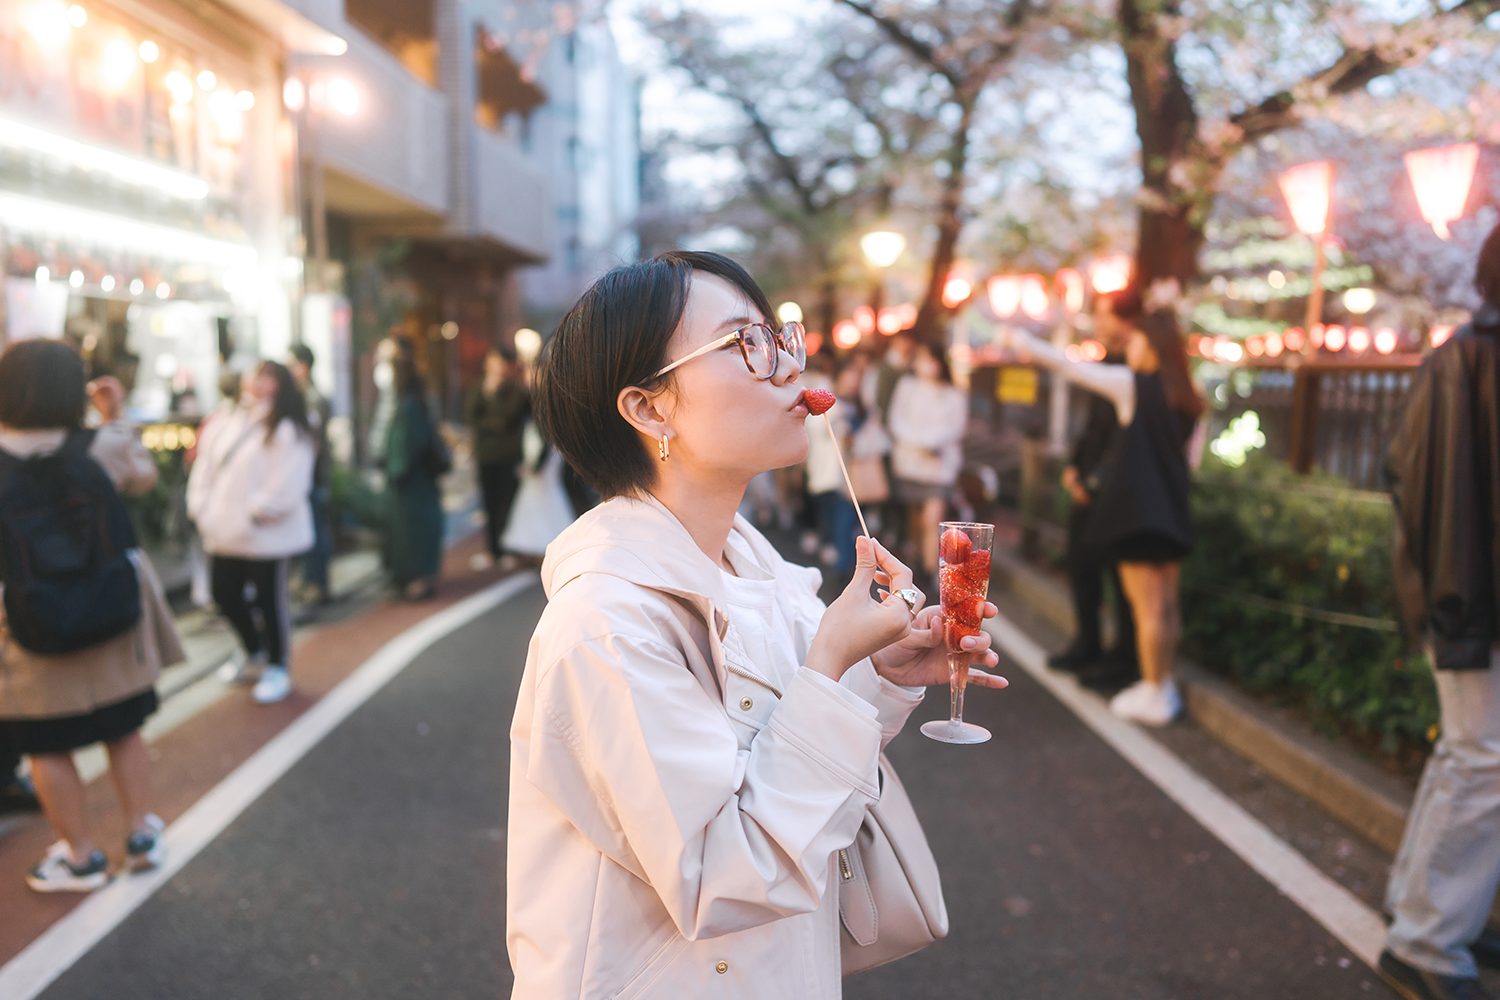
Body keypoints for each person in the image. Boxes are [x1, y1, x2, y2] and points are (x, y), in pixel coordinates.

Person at [508, 250, 1008, 997]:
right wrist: (829, 665)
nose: (785, 368)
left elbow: (785, 764)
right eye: (745, 343)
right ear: (649, 408)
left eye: (778, 338)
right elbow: (722, 875)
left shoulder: (759, 573)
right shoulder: (607, 623)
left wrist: (875, 673)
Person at [0, 340, 183, 891]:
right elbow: (145, 479)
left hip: (27, 618)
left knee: (46, 743)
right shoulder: (102, 444)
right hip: (110, 606)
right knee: (122, 726)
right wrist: (114, 415)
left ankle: (79, 857)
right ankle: (140, 836)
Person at [1381, 223, 1500, 1000]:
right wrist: (1454, 615)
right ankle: (1425, 936)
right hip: (1473, 600)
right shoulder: (1469, 357)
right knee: (1482, 757)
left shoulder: (1467, 355)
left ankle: (1421, 911)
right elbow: (1443, 499)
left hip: (1469, 597)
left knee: (1471, 753)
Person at [1006, 286, 1203, 726]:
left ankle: (1153, 692)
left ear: (1150, 348)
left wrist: (1023, 343)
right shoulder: (1189, 397)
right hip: (1173, 510)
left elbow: (1069, 367)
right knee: (1167, 607)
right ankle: (1162, 684)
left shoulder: (1134, 386)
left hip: (1137, 515)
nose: (1129, 349)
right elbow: (1191, 460)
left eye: (1135, 343)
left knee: (1145, 607)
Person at [187, 361, 316, 704]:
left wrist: (254, 514)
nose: (257, 381)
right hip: (222, 531)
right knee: (223, 594)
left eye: (267, 375)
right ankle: (253, 651)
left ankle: (277, 664)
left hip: (265, 535)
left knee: (269, 600)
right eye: (254, 373)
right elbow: (204, 469)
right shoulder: (224, 420)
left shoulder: (286, 426)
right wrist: (203, 509)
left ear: (281, 384)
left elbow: (289, 481)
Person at [1050, 329, 1139, 693]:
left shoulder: (1136, 376)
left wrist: (1095, 481)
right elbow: (1094, 427)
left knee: (1122, 581)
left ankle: (1121, 657)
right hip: (1091, 482)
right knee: (1080, 564)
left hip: (1114, 492)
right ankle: (1088, 643)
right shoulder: (1110, 363)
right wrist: (1076, 467)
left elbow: (1122, 439)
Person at [887, 341, 968, 588]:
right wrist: (915, 441)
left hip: (938, 467)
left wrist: (929, 441)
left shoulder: (954, 394)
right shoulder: (907, 386)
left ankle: (931, 570)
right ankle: (916, 560)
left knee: (933, 519)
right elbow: (895, 419)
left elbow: (956, 427)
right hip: (909, 464)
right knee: (915, 517)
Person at [499, 363, 575, 560]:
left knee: (544, 495)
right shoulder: (528, 397)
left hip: (544, 455)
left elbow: (546, 435)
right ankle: (536, 545)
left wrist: (536, 464)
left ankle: (548, 543)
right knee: (537, 497)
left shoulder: (545, 400)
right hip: (539, 451)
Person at [385, 356, 445, 599]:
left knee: (412, 533)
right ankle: (423, 578)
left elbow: (406, 446)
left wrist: (395, 470)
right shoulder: (417, 401)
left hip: (411, 482)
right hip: (422, 480)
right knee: (422, 529)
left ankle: (418, 581)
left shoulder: (407, 405)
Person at [465, 347, 529, 571]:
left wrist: (491, 419)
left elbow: (508, 418)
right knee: (489, 503)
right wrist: (488, 394)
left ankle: (508, 549)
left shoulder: (517, 391)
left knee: (509, 503)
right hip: (486, 456)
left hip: (510, 456)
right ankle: (493, 550)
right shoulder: (479, 389)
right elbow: (471, 416)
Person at [288, 344, 333, 604]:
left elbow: (313, 441)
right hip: (303, 477)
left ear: (303, 365)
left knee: (316, 530)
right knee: (309, 529)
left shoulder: (314, 397)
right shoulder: (302, 395)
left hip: (313, 476)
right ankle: (310, 581)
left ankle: (319, 584)